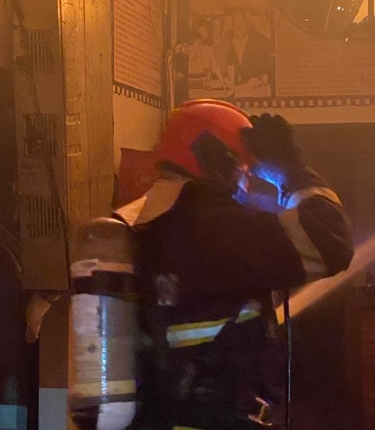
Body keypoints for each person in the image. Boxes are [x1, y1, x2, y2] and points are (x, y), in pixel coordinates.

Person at [70, 100, 353, 430]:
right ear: (216, 159)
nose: (245, 181)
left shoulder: (137, 224)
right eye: (244, 169)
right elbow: (330, 240)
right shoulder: (217, 228)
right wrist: (292, 172)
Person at [228, 11, 272, 89]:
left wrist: (259, 79)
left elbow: (268, 70)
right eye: (234, 24)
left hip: (255, 91)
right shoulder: (228, 39)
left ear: (249, 24)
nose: (236, 27)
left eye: (240, 24)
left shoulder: (262, 41)